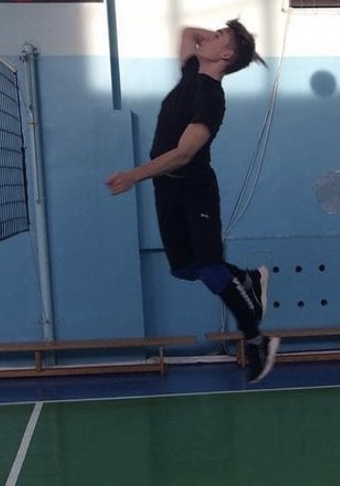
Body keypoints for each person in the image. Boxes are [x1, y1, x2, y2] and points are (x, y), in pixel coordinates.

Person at [106, 20, 279, 383]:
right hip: (167, 188)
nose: (208, 36)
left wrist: (133, 175)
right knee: (184, 269)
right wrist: (227, 42)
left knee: (211, 269)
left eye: (219, 37)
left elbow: (183, 154)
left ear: (226, 55)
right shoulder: (190, 72)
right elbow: (188, 32)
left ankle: (257, 340)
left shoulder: (211, 99)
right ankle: (246, 278)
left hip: (195, 190)